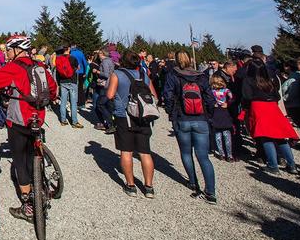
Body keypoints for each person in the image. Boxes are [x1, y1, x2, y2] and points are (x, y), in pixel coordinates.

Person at [0, 35, 57, 222]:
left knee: (20, 160)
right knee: (33, 151)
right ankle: (41, 182)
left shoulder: (13, 67)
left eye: (9, 50)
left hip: (19, 119)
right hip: (38, 117)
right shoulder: (40, 67)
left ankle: (28, 206)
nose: (7, 54)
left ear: (17, 50)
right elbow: (53, 88)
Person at [164, 51, 217, 203]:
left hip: (181, 117)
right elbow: (209, 98)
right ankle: (210, 191)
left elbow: (167, 95)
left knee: (186, 152)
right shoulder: (201, 76)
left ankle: (193, 183)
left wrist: (171, 112)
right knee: (203, 156)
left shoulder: (173, 75)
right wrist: (209, 114)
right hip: (201, 118)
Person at [107, 51, 158, 198]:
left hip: (124, 116)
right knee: (145, 152)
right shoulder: (143, 76)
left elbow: (110, 95)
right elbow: (154, 96)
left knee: (126, 151)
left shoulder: (117, 74)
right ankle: (149, 187)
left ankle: (131, 185)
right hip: (143, 116)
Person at [241, 59, 298, 175]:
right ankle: (292, 165)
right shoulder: (268, 80)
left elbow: (246, 96)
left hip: (258, 107)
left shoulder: (248, 80)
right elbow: (277, 96)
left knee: (265, 137)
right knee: (280, 137)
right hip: (272, 107)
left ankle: (273, 165)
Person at [55, 46, 82, 128]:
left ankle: (63, 120)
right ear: (68, 50)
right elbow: (78, 68)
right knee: (73, 103)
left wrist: (58, 83)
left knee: (63, 101)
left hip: (63, 82)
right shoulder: (73, 58)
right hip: (72, 81)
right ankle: (74, 122)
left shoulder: (58, 59)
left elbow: (57, 72)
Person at [210, 75, 235, 162]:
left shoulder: (211, 92)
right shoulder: (226, 91)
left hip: (216, 112)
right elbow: (232, 98)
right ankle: (229, 155)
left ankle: (222, 154)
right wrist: (228, 103)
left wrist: (213, 104)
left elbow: (208, 101)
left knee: (218, 135)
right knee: (226, 134)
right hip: (225, 112)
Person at [92, 50, 115, 133]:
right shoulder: (110, 61)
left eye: (99, 54)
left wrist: (97, 71)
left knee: (99, 104)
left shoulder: (105, 62)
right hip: (110, 85)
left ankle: (108, 123)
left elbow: (106, 74)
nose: (98, 55)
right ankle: (110, 123)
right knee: (108, 105)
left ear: (102, 54)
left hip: (105, 85)